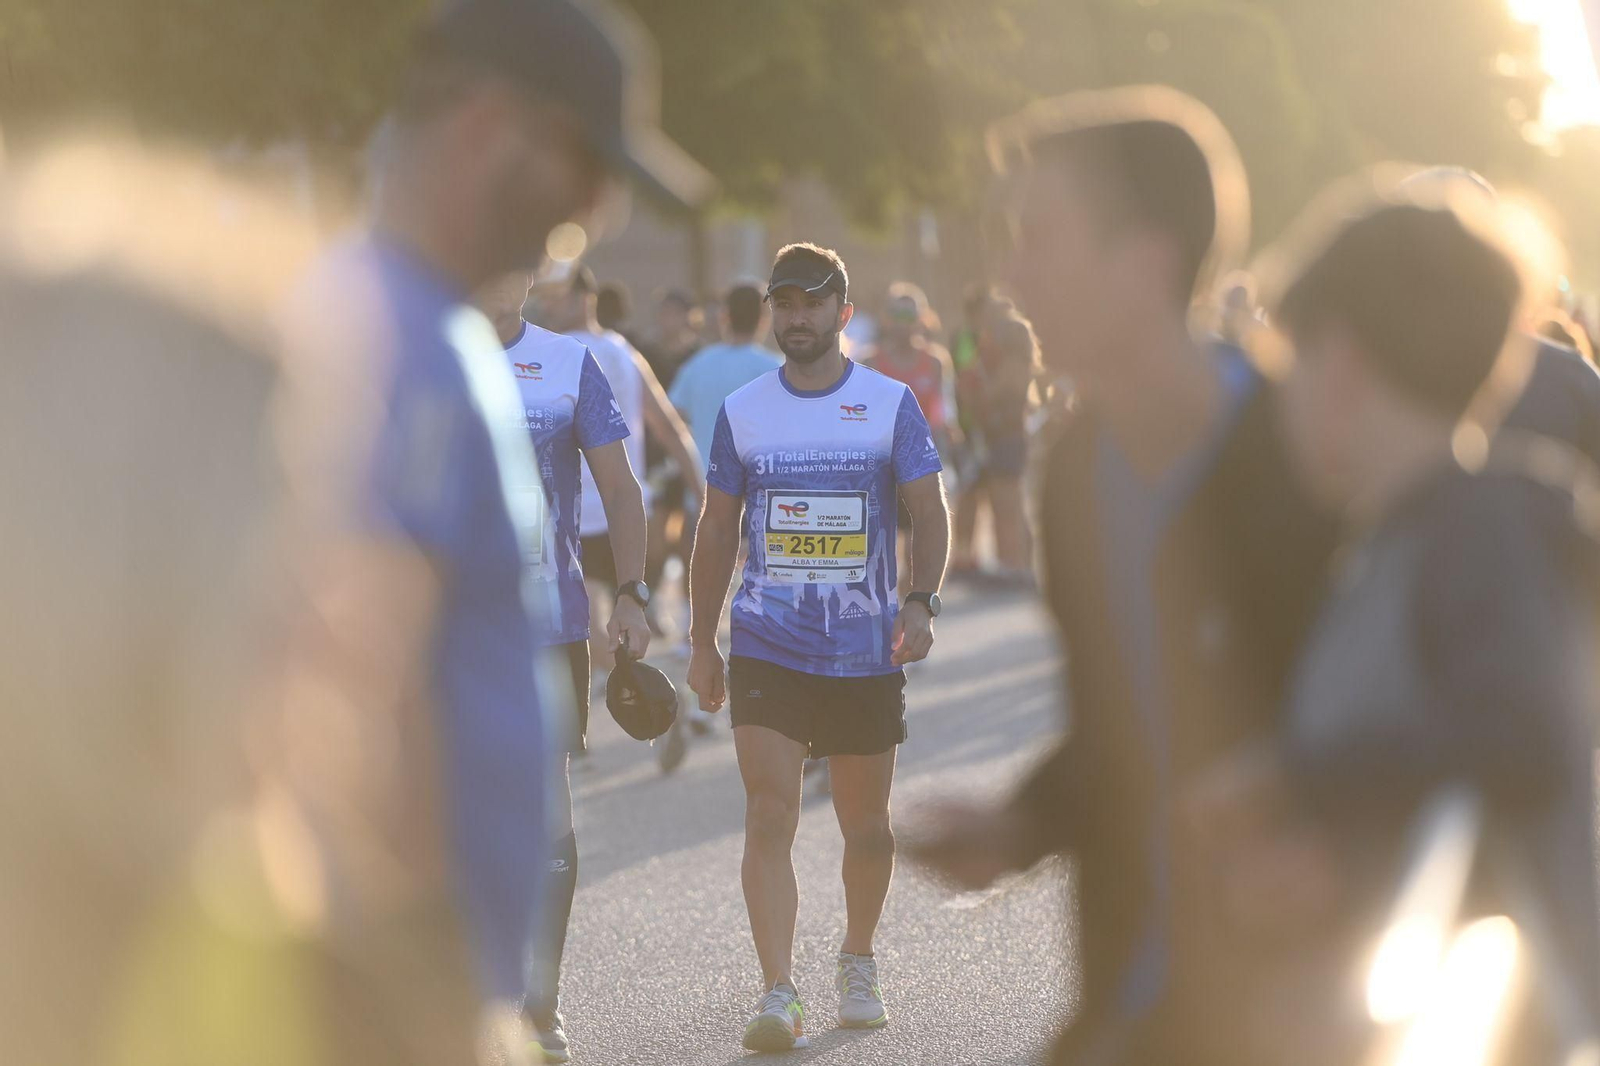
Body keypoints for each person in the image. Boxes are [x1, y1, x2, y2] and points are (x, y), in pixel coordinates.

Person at [278, 1, 713, 1063]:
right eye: (587, 163)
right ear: (487, 126)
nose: (601, 207)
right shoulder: (372, 343)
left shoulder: (448, 338)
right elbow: (339, 697)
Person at [909, 87, 1338, 1065]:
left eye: (1037, 239)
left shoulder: (1303, 462)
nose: (1008, 277)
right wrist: (1020, 822)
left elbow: (1416, 721)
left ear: (1143, 263)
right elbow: (1122, 727)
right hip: (1134, 1001)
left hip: (1302, 1017)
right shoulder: (1075, 470)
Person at [1188, 191, 1600, 1064]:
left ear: (1339, 364)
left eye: (1287, 363)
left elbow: (1520, 735)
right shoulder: (1403, 537)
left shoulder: (1479, 529)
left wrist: (1293, 779)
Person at [687, 242, 949, 1052]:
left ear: (842, 309)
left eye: (813, 302)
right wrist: (702, 642)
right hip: (767, 641)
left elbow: (928, 512)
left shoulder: (887, 403)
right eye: (785, 302)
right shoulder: (744, 410)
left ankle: (858, 960)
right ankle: (778, 990)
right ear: (772, 311)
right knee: (769, 811)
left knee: (865, 825)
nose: (797, 317)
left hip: (866, 648)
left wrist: (920, 601)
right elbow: (716, 528)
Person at [476, 267, 655, 1062]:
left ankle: (539, 1003)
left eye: (521, 261)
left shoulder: (565, 362)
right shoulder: (421, 356)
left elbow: (618, 487)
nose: (503, 275)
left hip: (549, 627)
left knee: (547, 808)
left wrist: (634, 593)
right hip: (449, 633)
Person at [530, 264, 704, 678]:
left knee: (586, 633)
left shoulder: (559, 352)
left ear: (585, 297)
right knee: (606, 628)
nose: (550, 305)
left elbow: (667, 424)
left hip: (578, 517)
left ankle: (647, 700)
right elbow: (669, 426)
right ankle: (649, 701)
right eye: (547, 295)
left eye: (559, 296)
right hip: (628, 513)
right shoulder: (626, 352)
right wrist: (702, 489)